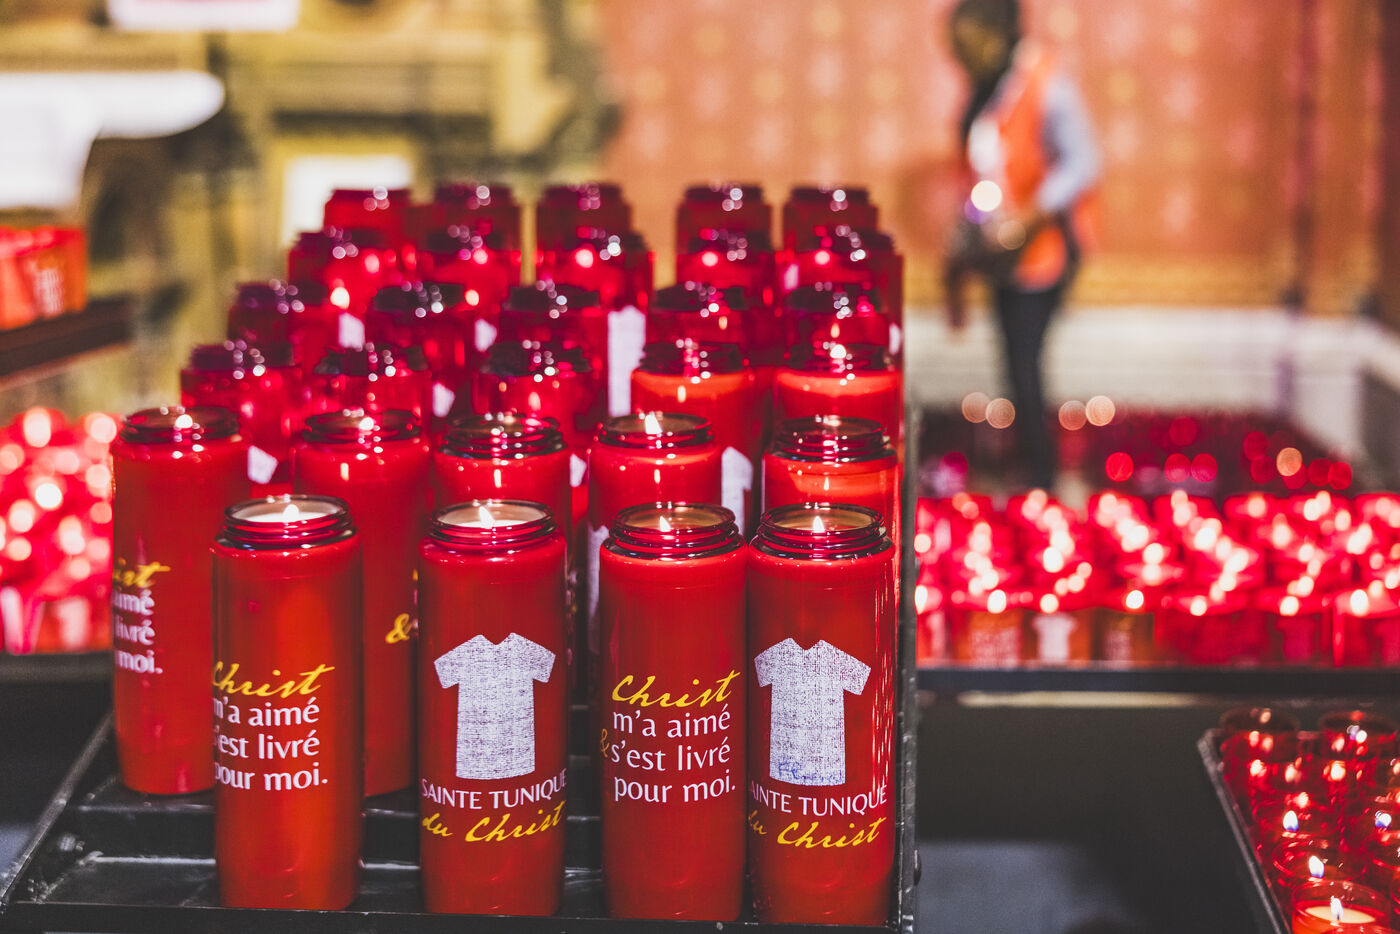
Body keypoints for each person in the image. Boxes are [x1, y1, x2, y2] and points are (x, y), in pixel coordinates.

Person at [944, 0, 1100, 491]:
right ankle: (1025, 463)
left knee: (1025, 359)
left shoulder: (1046, 82)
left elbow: (1084, 162)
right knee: (1011, 358)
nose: (959, 55)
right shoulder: (990, 88)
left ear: (1000, 33)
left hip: (1045, 248)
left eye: (969, 43)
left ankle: (1040, 473)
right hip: (1002, 252)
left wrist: (1033, 214)